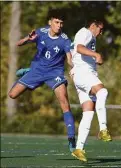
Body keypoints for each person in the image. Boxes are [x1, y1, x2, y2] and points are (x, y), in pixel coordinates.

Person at [8, 10, 76, 152]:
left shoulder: (65, 40)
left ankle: (71, 139)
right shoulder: (41, 32)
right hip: (37, 70)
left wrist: (74, 67)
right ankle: (28, 71)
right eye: (57, 22)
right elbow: (18, 44)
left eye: (61, 23)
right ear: (50, 22)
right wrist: (28, 38)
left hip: (55, 73)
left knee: (64, 102)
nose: (59, 25)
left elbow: (69, 59)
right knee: (12, 95)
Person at [70, 19, 112, 162]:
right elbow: (79, 48)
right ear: (93, 26)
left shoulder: (90, 37)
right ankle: (103, 129)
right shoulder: (86, 32)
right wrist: (96, 55)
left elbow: (76, 53)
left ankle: (79, 149)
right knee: (102, 92)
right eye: (100, 29)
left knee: (88, 113)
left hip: (82, 74)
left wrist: (94, 59)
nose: (101, 33)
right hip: (83, 74)